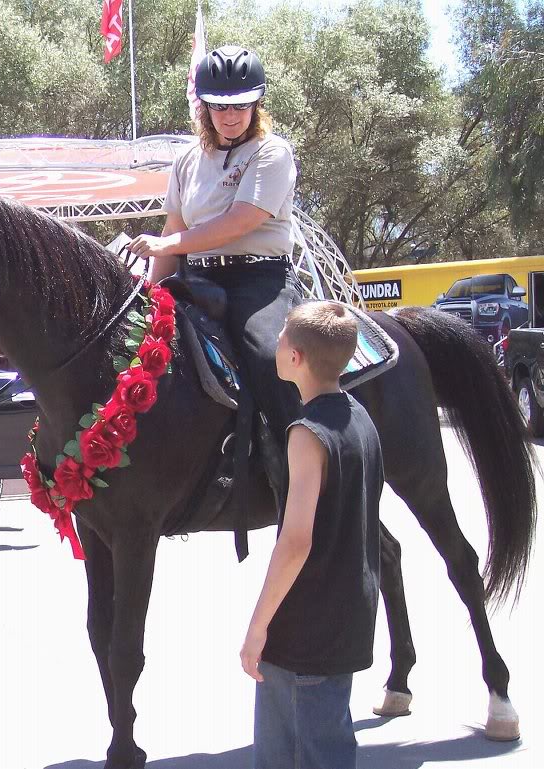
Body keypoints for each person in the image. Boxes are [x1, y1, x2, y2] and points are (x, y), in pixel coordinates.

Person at [129, 44, 303, 443]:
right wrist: (150, 296)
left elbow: (239, 222)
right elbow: (175, 223)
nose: (230, 116)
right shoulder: (187, 159)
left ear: (257, 103)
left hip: (257, 281)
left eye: (241, 106)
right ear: (204, 106)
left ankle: (294, 461)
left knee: (267, 355)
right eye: (220, 106)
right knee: (141, 347)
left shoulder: (271, 152)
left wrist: (168, 243)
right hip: (195, 278)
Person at [240, 301, 383, 769]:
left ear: (296, 357)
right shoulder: (360, 418)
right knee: (328, 745)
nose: (276, 341)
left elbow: (296, 540)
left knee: (299, 755)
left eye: (282, 335)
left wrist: (258, 626)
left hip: (304, 628)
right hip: (347, 613)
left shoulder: (307, 433)